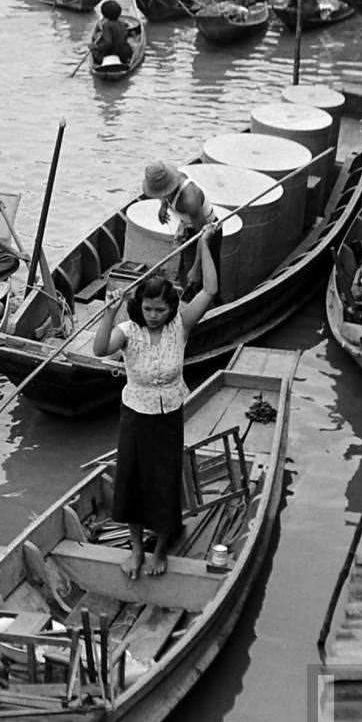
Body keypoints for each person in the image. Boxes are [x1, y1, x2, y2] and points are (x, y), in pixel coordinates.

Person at [93, 234, 219, 580]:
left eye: (160, 309)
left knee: (163, 482)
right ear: (140, 306)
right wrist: (109, 310)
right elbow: (100, 349)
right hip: (135, 416)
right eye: (148, 309)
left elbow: (209, 289)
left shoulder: (181, 326)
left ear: (171, 309)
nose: (153, 315)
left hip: (168, 417)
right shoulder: (128, 330)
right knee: (132, 481)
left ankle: (160, 549)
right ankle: (136, 550)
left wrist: (204, 244)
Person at [91, 0, 132, 67]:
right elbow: (125, 36)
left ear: (104, 14)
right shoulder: (122, 24)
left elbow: (108, 43)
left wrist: (96, 47)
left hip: (113, 54)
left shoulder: (107, 25)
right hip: (125, 53)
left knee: (93, 48)